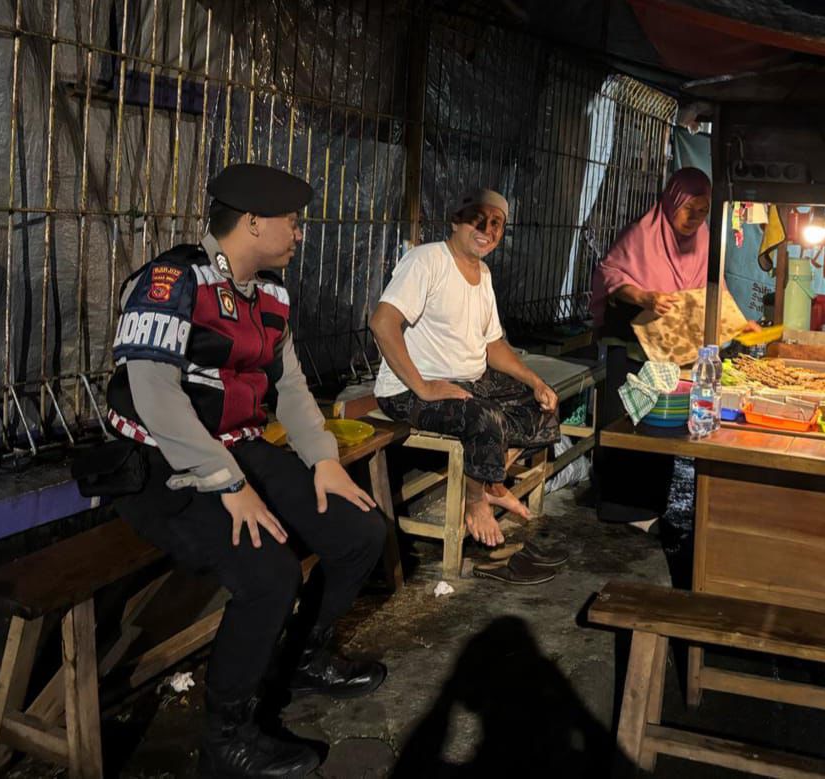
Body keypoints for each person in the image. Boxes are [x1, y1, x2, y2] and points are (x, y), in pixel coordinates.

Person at [106, 163, 387, 777]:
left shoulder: (271, 294)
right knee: (269, 575)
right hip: (161, 461)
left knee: (360, 531)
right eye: (292, 221)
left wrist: (323, 461)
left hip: (241, 446)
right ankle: (226, 737)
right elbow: (155, 398)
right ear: (254, 222)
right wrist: (227, 483)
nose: (299, 233)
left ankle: (301, 660)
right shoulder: (172, 282)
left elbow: (290, 386)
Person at [369, 189, 560, 553]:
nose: (487, 230)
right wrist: (423, 387)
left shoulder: (483, 273)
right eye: (478, 219)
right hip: (408, 390)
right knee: (485, 419)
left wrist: (535, 382)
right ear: (456, 221)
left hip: (470, 382)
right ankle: (476, 502)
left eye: (497, 224)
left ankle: (490, 483)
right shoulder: (426, 260)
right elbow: (382, 323)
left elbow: (493, 345)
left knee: (544, 406)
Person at [589, 168, 758, 522]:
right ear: (672, 201)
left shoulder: (704, 239)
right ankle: (615, 508)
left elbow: (715, 291)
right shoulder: (641, 235)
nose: (694, 219)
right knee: (627, 422)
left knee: (661, 427)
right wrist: (644, 297)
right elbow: (610, 276)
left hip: (670, 353)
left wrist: (741, 324)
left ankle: (650, 509)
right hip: (631, 348)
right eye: (688, 209)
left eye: (702, 211)